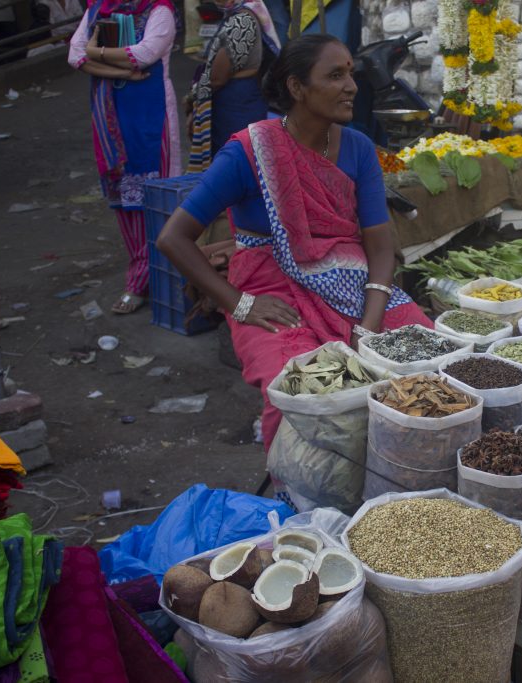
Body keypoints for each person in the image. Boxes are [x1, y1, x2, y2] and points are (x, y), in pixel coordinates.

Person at [157, 34, 433, 450]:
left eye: (351, 74)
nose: (351, 86)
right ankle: (303, 497)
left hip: (354, 282)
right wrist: (240, 304)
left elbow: (378, 244)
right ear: (296, 87)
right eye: (335, 75)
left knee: (430, 361)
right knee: (300, 393)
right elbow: (172, 239)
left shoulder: (357, 147)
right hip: (271, 287)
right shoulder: (250, 151)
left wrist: (370, 326)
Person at [68, 0, 181, 314]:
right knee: (124, 198)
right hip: (112, 114)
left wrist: (96, 53)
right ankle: (140, 275)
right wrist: (123, 73)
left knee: (156, 196)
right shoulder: (99, 9)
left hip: (151, 115)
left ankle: (151, 278)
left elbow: (145, 54)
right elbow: (74, 55)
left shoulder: (159, 11)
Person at [186, 0, 281, 172]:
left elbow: (217, 77)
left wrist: (191, 98)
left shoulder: (243, 20)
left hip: (237, 108)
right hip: (238, 104)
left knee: (234, 165)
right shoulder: (239, 15)